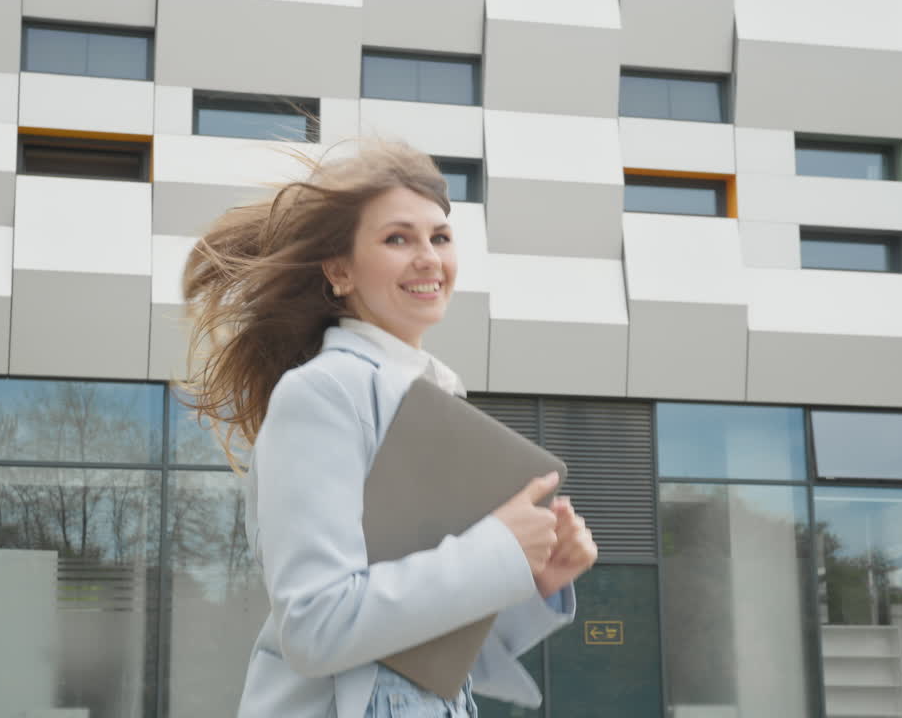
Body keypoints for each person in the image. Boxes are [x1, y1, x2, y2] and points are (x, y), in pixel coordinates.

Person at [180, 140, 599, 718]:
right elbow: (316, 626)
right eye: (397, 238)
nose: (428, 257)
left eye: (440, 237)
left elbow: (433, 656)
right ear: (339, 269)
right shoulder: (323, 392)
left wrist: (535, 579)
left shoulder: (436, 398)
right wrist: (496, 553)